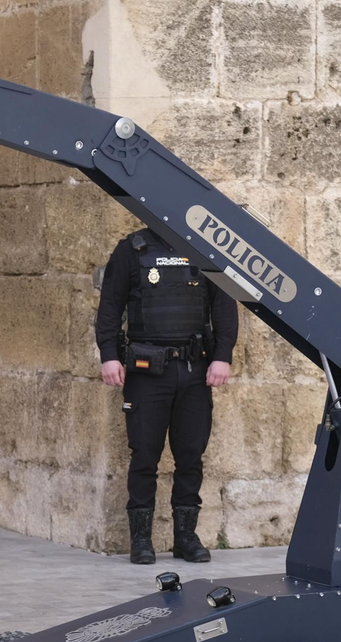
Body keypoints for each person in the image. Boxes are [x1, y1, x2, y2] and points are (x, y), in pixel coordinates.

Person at [95, 227, 238, 565]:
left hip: (194, 368)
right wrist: (109, 354)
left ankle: (185, 538)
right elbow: (110, 306)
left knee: (190, 454)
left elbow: (224, 306)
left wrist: (223, 355)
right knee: (144, 454)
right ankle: (141, 540)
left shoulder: (203, 248)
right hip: (147, 371)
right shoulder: (131, 249)